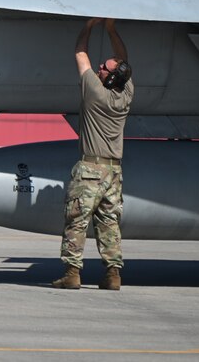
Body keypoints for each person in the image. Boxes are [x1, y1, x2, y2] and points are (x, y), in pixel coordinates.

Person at [52, 18, 134, 291]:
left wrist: (89, 26)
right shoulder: (125, 94)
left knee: (77, 220)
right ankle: (113, 274)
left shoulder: (94, 92)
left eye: (104, 68)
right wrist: (111, 29)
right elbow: (122, 60)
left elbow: (80, 53)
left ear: (109, 78)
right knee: (109, 223)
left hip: (90, 169)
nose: (99, 67)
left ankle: (72, 272)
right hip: (114, 172)